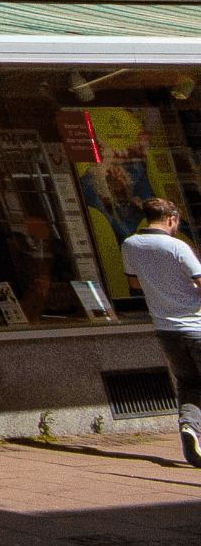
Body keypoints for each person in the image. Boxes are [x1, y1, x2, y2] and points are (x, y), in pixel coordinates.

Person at [122, 196, 201, 466]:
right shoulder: (178, 246)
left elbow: (133, 281)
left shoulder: (130, 244)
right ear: (171, 219)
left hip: (166, 329)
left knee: (189, 383)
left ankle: (189, 428)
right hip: (196, 326)